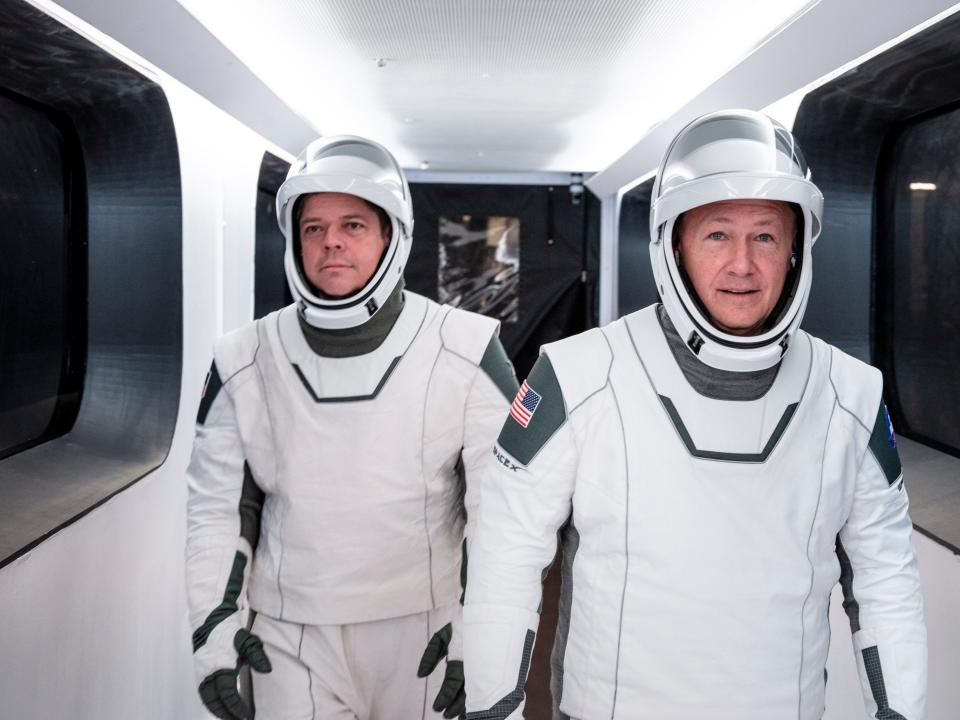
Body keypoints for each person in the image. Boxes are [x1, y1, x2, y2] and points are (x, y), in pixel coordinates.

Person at [462, 110, 927, 719]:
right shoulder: (577, 374)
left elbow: (886, 582)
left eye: (765, 235)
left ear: (795, 250)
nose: (742, 264)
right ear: (673, 246)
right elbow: (507, 551)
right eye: (716, 235)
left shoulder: (852, 395)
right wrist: (492, 708)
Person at [185, 135, 518, 720]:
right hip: (289, 633)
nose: (331, 241)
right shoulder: (243, 357)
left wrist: (483, 632)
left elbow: (505, 508)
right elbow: (218, 507)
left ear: (390, 235)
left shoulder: (465, 347)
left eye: (353, 225)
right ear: (294, 239)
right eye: (313, 227)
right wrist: (212, 628)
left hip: (426, 630)